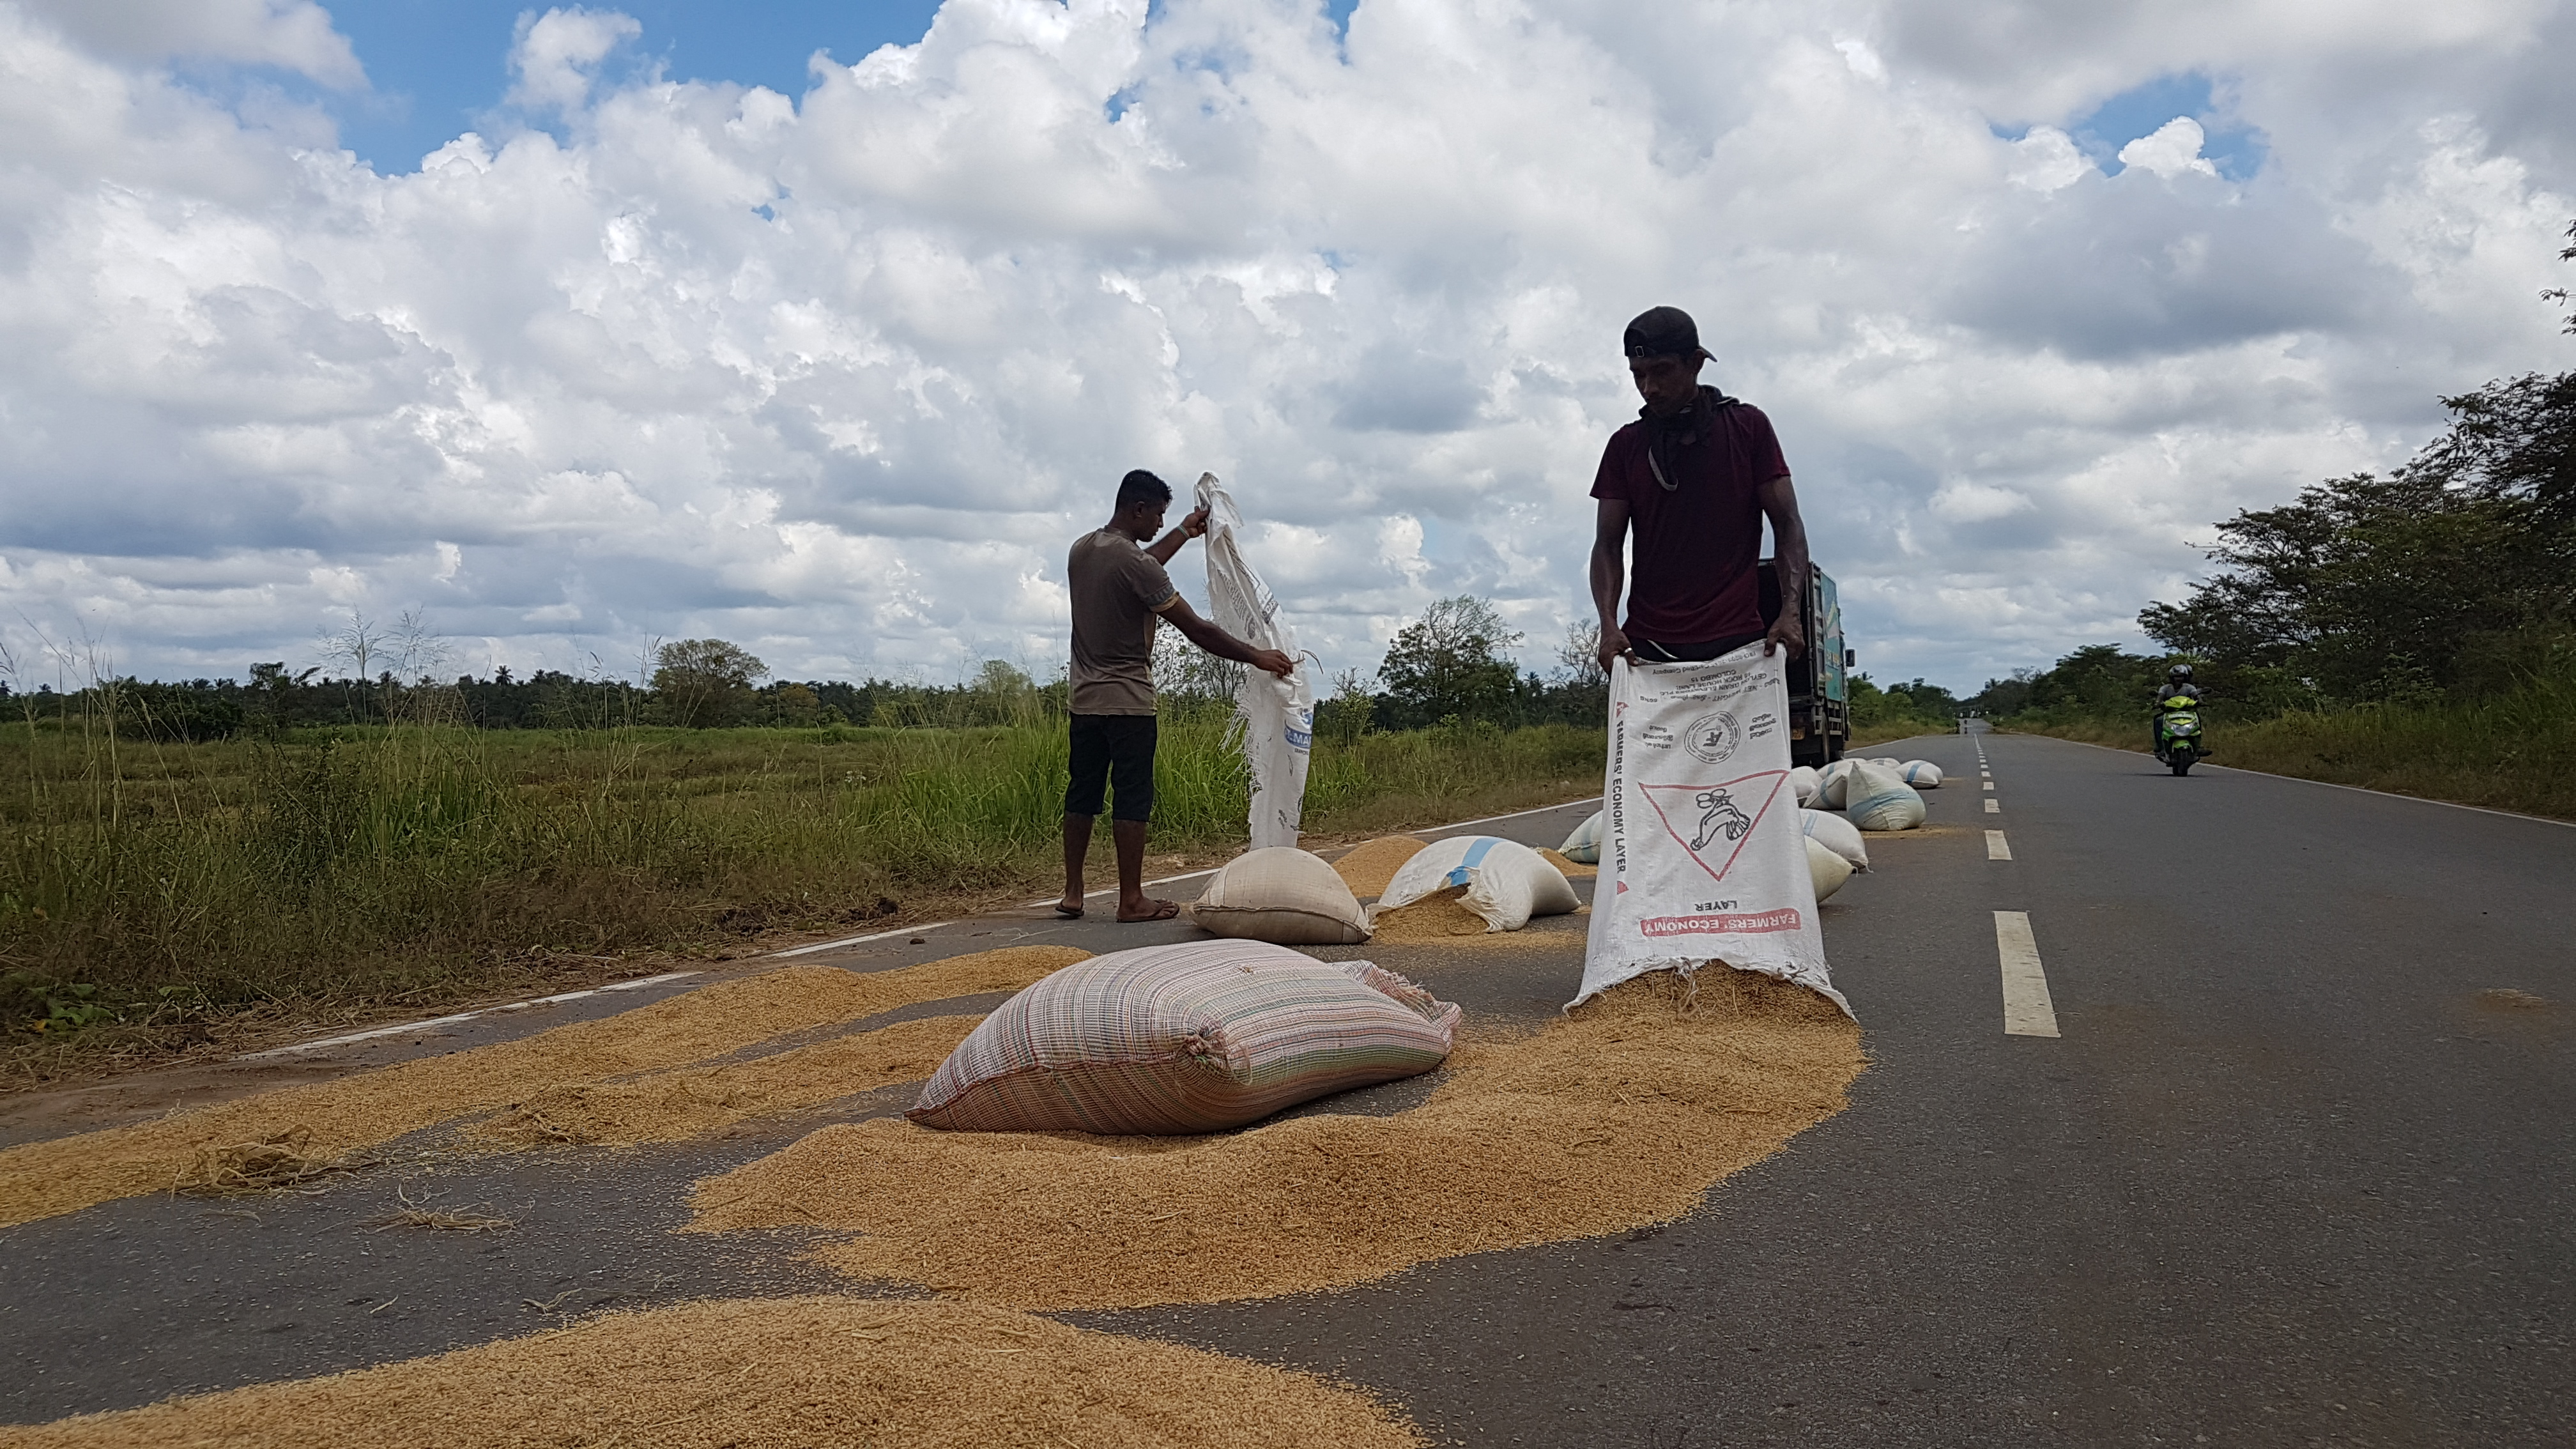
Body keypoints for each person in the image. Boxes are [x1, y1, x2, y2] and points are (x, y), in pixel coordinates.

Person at [1061, 469, 1295, 923]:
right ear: (1139, 509)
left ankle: (1073, 892)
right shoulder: (1137, 565)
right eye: (1158, 516)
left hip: (1083, 703)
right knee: (1132, 796)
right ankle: (1131, 900)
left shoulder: (1085, 550)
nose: (1158, 524)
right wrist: (1256, 656)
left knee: (1082, 792)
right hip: (1129, 703)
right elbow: (1199, 629)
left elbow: (1137, 568)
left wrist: (1183, 534)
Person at [1590, 307, 1811, 675]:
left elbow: (1787, 524)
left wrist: (1790, 613)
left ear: (1696, 363)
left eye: (1662, 371)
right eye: (1638, 376)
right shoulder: (1625, 447)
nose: (1649, 388)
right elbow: (1608, 544)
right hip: (1649, 649)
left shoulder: (1748, 428)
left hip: (1739, 646)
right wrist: (1609, 626)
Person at [2150, 663, 2202, 756]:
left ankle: (2197, 746)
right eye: (2176, 677)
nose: (2178, 679)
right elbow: (2160, 697)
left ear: (2185, 677)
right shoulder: (2165, 688)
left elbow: (2197, 696)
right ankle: (2161, 746)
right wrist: (2157, 704)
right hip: (2170, 714)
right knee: (2158, 720)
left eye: (2181, 677)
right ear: (2172, 678)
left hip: (2188, 713)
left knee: (2197, 720)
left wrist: (2200, 702)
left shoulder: (2190, 688)